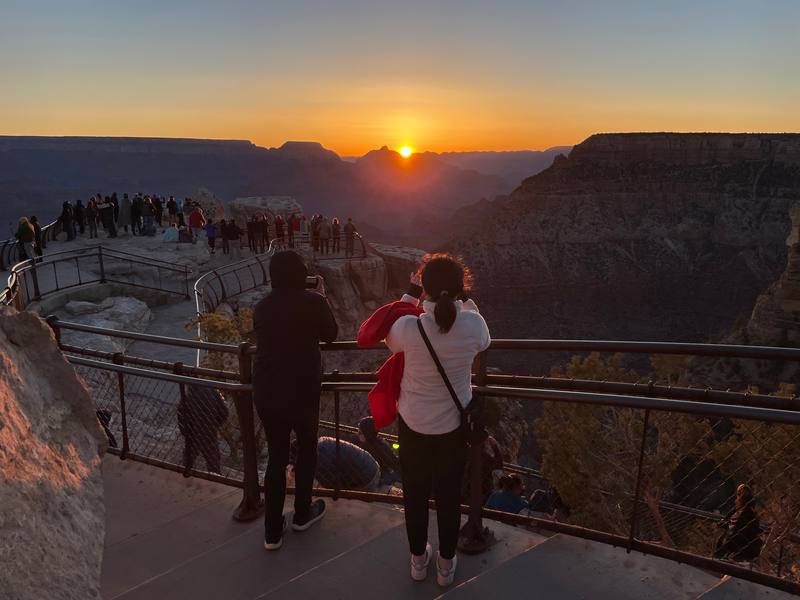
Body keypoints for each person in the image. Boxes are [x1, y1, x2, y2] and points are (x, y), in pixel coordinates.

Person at [381, 254, 490, 586]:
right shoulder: (473, 325)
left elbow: (389, 334)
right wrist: (465, 299)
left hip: (412, 427)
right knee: (447, 496)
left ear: (424, 287)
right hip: (452, 429)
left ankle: (417, 561)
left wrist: (410, 292)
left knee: (414, 495)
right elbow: (483, 338)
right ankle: (445, 565)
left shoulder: (408, 327)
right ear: (460, 288)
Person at [253, 251, 338, 550]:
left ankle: (272, 531)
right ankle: (302, 513)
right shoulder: (313, 301)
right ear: (302, 275)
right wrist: (322, 297)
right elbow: (331, 334)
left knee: (276, 458)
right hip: (302, 391)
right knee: (306, 450)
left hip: (266, 390)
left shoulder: (261, 307)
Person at [177, 384, 229, 476]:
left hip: (193, 433)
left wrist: (186, 432)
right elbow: (224, 413)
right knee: (213, 463)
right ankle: (215, 479)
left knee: (188, 461)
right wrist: (214, 424)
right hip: (209, 431)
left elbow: (181, 415)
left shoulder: (187, 396)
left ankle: (186, 475)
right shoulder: (212, 391)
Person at [301, 437, 380, 490]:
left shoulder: (320, 456)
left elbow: (333, 488)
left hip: (369, 479)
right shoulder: (321, 443)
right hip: (371, 468)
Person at [714, 483, 763, 562]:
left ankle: (720, 558)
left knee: (721, 541)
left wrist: (725, 524)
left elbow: (734, 528)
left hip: (735, 543)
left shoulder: (743, 512)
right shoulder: (750, 511)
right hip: (745, 543)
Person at [355, 416, 401, 485]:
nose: (357, 434)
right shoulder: (380, 443)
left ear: (367, 432)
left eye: (360, 432)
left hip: (387, 480)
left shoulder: (369, 450)